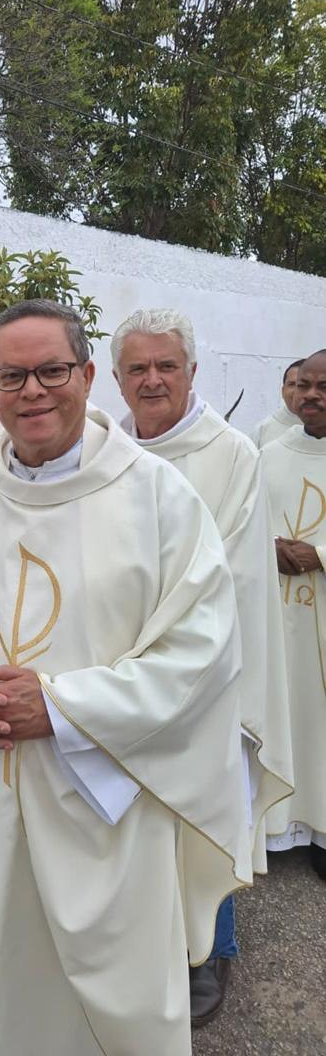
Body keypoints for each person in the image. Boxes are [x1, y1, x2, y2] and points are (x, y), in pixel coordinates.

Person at [0, 300, 251, 1056]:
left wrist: (61, 707)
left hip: (102, 800)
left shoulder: (158, 497)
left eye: (51, 371)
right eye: (12, 376)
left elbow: (200, 648)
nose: (32, 391)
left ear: (86, 375)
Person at [112, 308, 294, 1027]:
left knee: (202, 811)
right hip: (118, 674)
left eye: (167, 366)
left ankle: (210, 951)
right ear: (115, 379)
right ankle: (138, 942)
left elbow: (232, 576)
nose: (152, 380)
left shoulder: (232, 455)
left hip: (203, 675)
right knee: (127, 814)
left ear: (192, 372)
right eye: (137, 368)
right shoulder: (103, 451)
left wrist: (156, 645)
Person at [263, 349, 326, 879]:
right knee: (283, 710)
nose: (311, 395)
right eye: (304, 385)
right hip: (278, 616)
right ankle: (276, 826)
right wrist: (267, 548)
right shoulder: (267, 454)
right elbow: (239, 521)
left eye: (323, 387)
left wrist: (319, 555)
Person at [251, 359, 303, 448]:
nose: (296, 391)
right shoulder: (262, 431)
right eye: (291, 384)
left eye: (303, 385)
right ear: (282, 391)